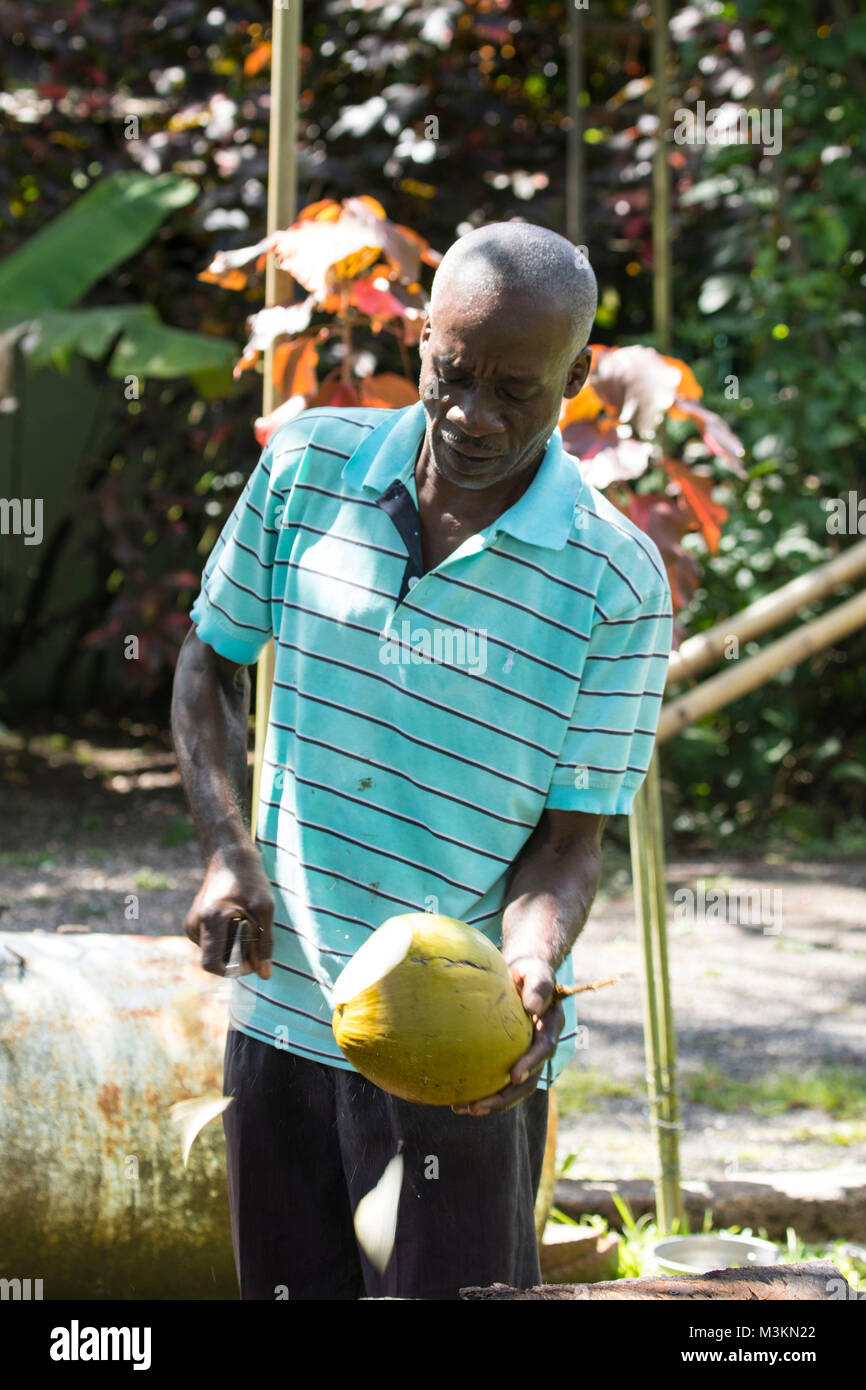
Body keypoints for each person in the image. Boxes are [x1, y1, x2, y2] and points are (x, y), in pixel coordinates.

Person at [170, 221, 673, 1300]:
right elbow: (206, 664)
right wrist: (225, 852)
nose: (470, 416)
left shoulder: (614, 581)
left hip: (464, 1055)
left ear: (577, 379)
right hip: (287, 1004)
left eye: (514, 390)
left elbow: (566, 842)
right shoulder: (308, 473)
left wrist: (530, 964)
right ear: (421, 346)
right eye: (450, 376)